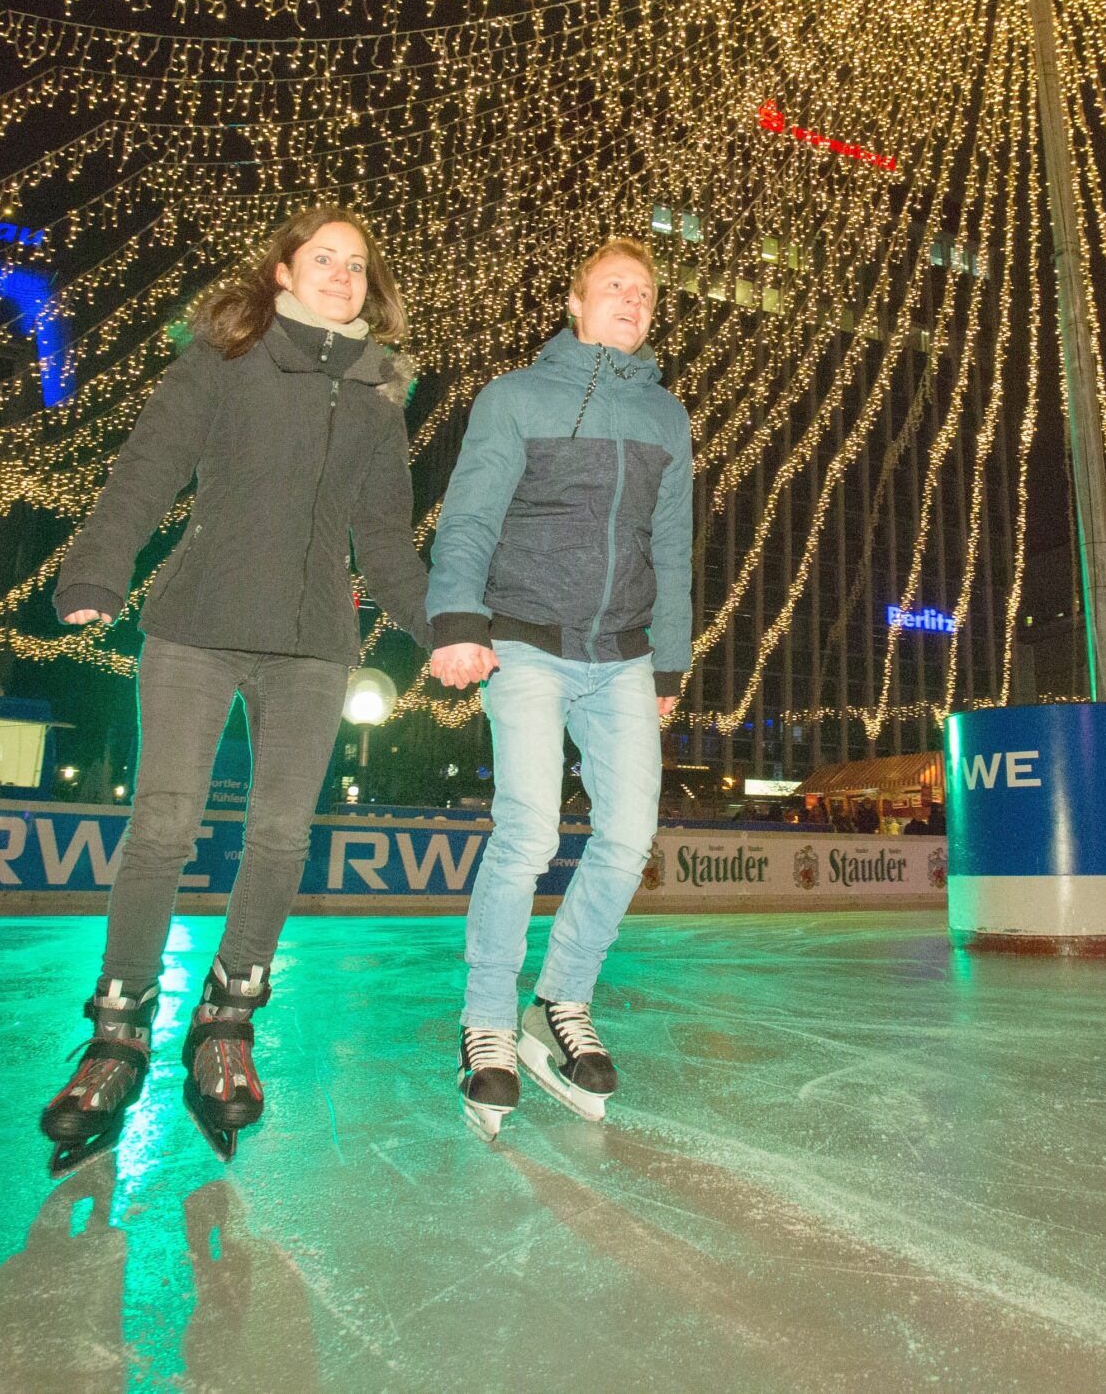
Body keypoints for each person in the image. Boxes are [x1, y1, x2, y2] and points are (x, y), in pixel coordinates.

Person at [41, 207, 429, 1169]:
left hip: (311, 645)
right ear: (286, 270)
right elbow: (149, 466)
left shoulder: (382, 388)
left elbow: (383, 534)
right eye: (323, 257)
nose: (342, 272)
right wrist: (97, 568)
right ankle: (118, 1030)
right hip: (198, 626)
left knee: (283, 834)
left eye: (356, 263)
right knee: (164, 824)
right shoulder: (225, 355)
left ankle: (228, 1021)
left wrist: (444, 627)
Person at [427, 236, 693, 1138]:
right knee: (530, 828)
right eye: (614, 286)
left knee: (628, 835)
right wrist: (457, 617)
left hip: (621, 653)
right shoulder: (514, 397)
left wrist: (669, 660)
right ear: (574, 304)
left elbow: (673, 547)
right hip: (528, 640)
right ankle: (488, 1022)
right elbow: (469, 512)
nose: (633, 299)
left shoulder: (667, 416)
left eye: (646, 292)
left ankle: (562, 1001)